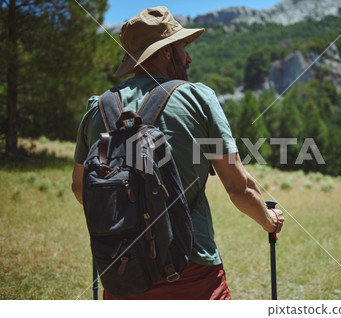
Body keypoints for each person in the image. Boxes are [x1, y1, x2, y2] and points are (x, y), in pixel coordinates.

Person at [71, 6, 284, 300]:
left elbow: (81, 188)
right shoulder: (198, 98)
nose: (188, 57)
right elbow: (239, 189)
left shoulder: (99, 108)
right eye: (182, 47)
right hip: (191, 267)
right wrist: (269, 220)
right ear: (166, 53)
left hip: (122, 271)